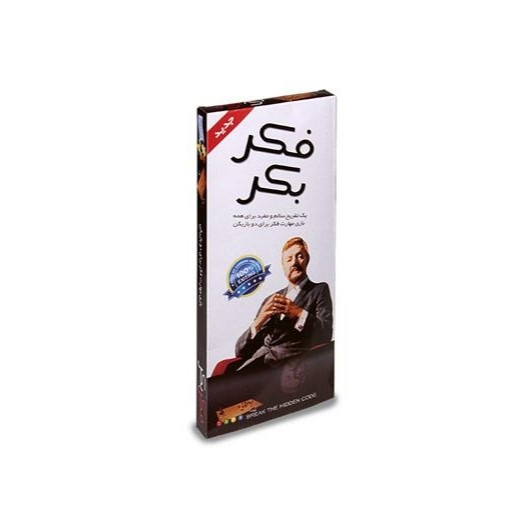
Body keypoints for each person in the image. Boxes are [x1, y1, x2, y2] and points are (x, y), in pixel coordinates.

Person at [235, 237, 333, 370]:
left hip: (288, 370)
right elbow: (240, 351)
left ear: (307, 261)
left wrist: (298, 313)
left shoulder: (319, 290)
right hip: (254, 366)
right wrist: (258, 322)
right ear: (283, 266)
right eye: (289, 259)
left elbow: (326, 334)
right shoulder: (270, 299)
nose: (294, 262)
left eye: (300, 256)